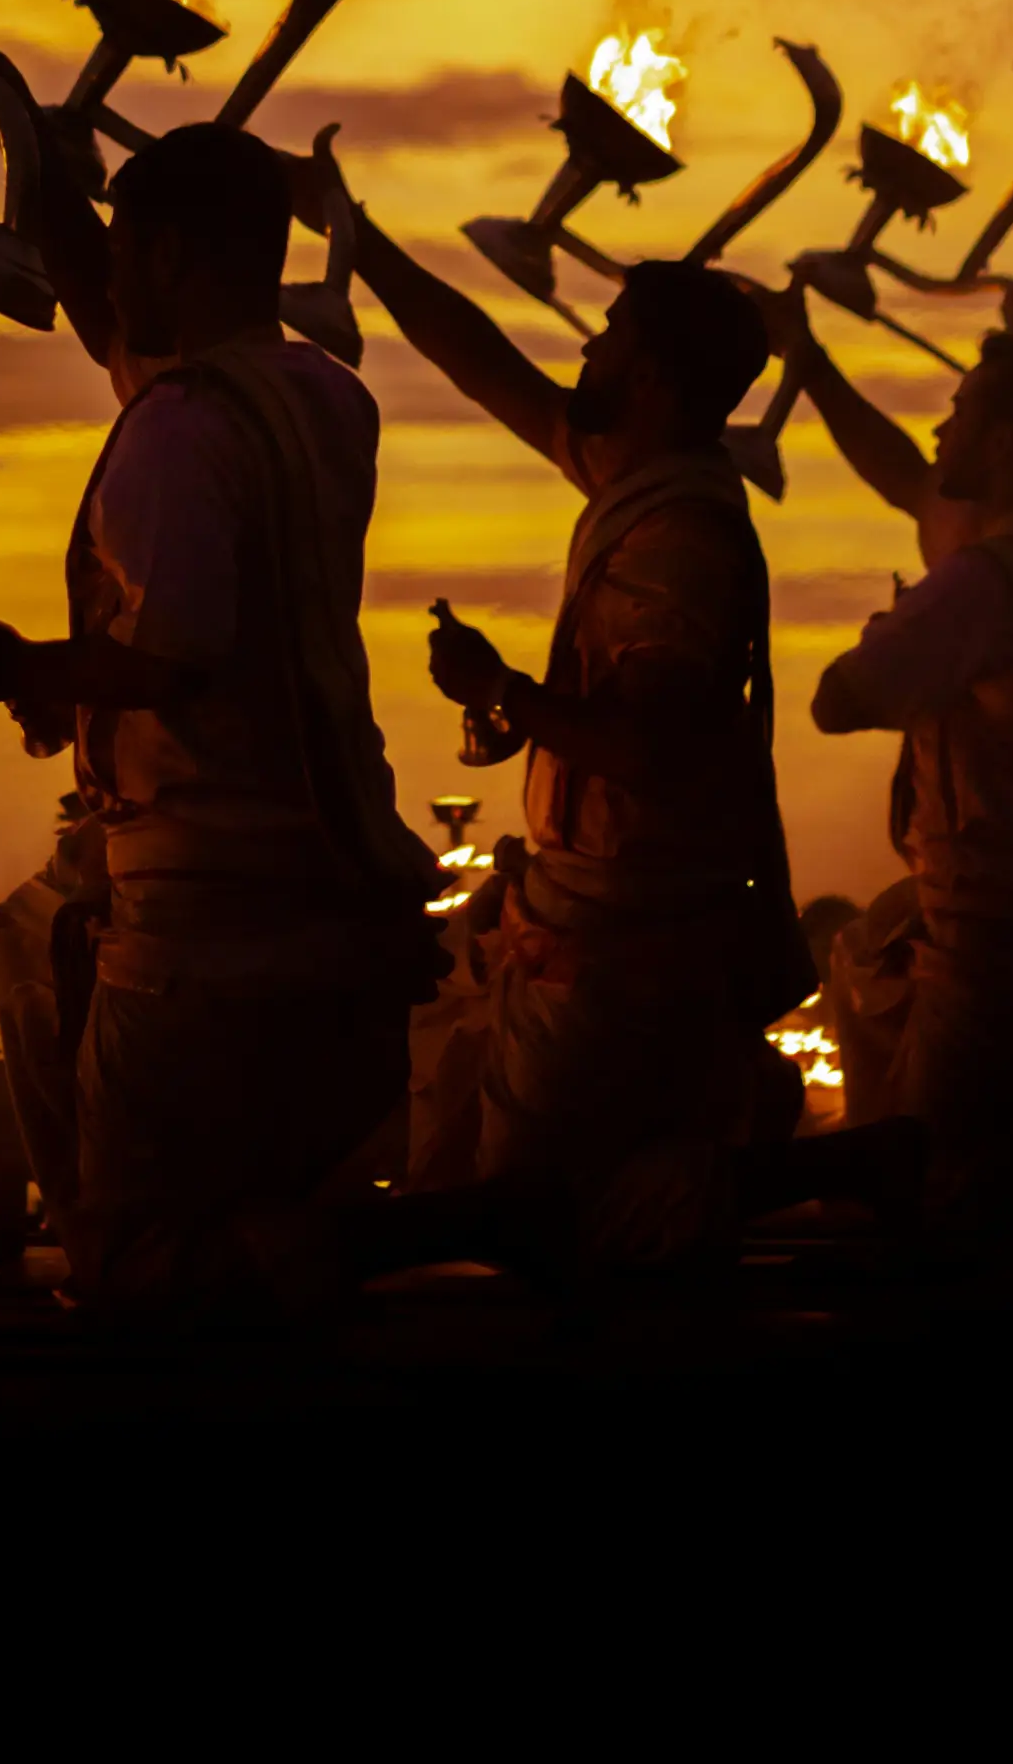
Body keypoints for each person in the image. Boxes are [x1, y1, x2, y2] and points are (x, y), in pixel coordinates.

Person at [0, 121, 437, 1317]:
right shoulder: (321, 395)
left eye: (127, 252)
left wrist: (20, 665)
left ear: (178, 258)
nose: (106, 280)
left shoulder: (176, 429)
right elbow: (142, 360)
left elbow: (174, 655)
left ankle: (448, 1227)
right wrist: (41, 174)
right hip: (328, 871)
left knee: (132, 1264)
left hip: (206, 914)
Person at [325, 163, 808, 1268]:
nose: (582, 351)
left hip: (616, 973)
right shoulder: (637, 483)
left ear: (646, 375)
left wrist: (506, 691)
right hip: (595, 949)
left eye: (604, 335)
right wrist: (360, 238)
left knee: (539, 1242)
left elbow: (652, 748)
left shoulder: (677, 541)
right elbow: (484, 362)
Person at [784, 305, 1013, 1199]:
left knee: (939, 1191)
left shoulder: (980, 582)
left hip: (987, 963)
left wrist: (890, 629)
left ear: (1006, 445)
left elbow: (838, 700)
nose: (939, 427)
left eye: (960, 412)